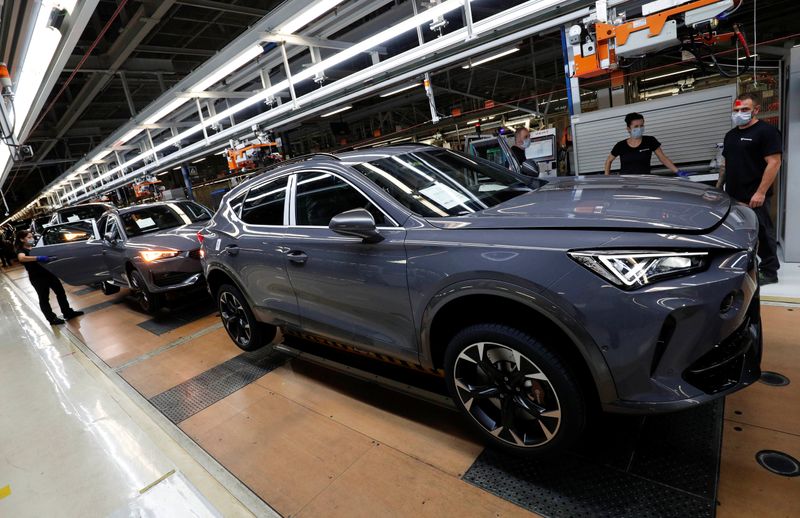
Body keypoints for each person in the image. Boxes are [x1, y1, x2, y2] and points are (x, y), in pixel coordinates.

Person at [717, 93, 783, 285]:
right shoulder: (731, 135)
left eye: (744, 109)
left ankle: (770, 271)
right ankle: (744, 264)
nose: (739, 113)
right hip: (734, 195)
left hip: (755, 195)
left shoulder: (766, 132)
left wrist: (761, 192)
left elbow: (774, 163)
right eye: (736, 110)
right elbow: (726, 163)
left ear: (756, 110)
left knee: (762, 232)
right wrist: (719, 187)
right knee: (738, 232)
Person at [15, 230, 84, 325]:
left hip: (49, 274)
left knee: (61, 293)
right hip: (37, 278)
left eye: (32, 237)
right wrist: (39, 258)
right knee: (44, 298)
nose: (32, 239)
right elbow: (21, 258)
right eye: (29, 237)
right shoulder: (21, 250)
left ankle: (67, 312)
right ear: (22, 239)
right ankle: (52, 319)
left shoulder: (35, 248)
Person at [604, 113, 683, 176]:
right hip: (626, 183)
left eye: (641, 126)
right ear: (628, 129)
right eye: (636, 126)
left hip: (645, 181)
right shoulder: (620, 145)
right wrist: (607, 178)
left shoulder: (650, 140)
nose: (639, 128)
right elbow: (608, 161)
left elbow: (663, 158)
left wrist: (678, 171)